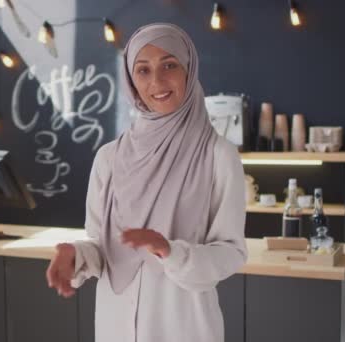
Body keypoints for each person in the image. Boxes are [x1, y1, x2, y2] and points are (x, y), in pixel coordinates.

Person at [45, 23, 247, 342]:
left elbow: (231, 252)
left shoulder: (218, 155)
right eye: (143, 70)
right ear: (131, 80)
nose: (157, 82)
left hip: (184, 329)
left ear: (188, 69)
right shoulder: (109, 158)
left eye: (169, 65)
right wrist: (77, 255)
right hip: (116, 328)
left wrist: (170, 251)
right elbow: (104, 247)